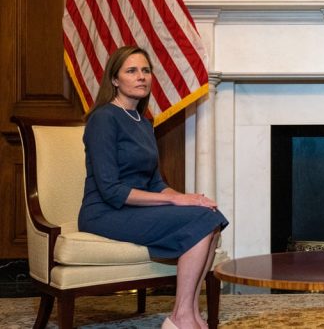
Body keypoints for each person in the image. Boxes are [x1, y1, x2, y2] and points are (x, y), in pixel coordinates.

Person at [78, 46, 229, 329]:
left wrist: (188, 198)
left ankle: (191, 313)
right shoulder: (103, 118)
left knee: (211, 217)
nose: (141, 77)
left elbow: (156, 183)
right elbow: (111, 190)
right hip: (105, 211)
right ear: (115, 79)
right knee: (200, 222)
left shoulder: (144, 123)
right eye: (132, 71)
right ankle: (180, 317)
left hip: (134, 208)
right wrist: (174, 202)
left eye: (146, 70)